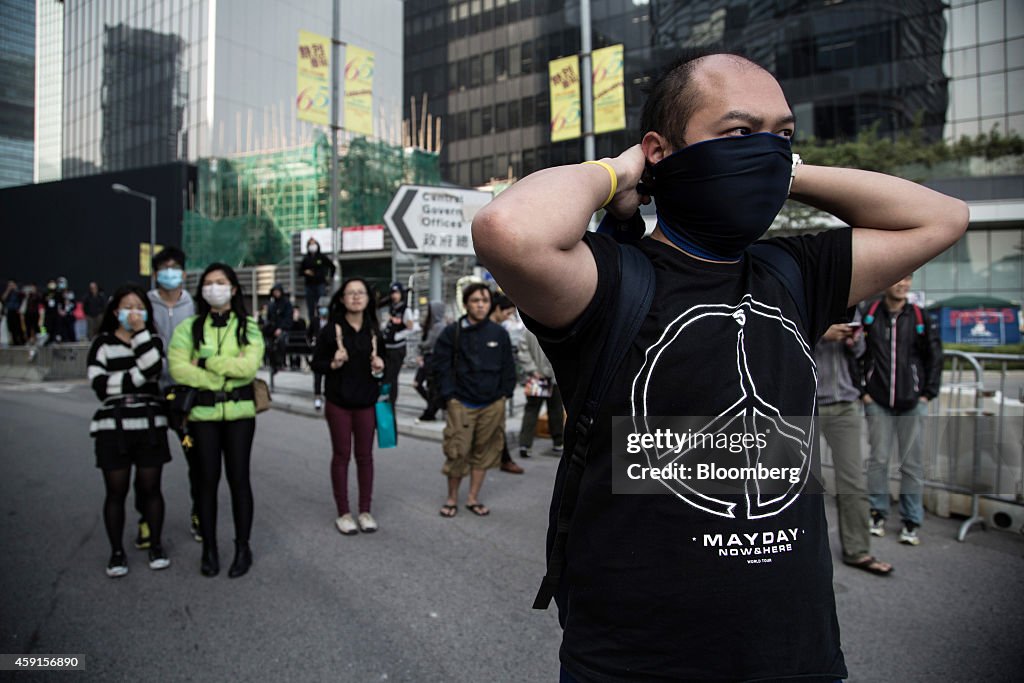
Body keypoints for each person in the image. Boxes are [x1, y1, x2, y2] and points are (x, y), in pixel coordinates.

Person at [471, 50, 968, 681]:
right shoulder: (611, 277)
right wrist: (622, 171)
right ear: (662, 149)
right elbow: (508, 228)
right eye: (738, 133)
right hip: (636, 660)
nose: (766, 150)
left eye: (782, 134)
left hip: (795, 655)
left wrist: (783, 169)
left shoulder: (795, 272)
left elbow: (943, 217)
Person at [168, 263, 264, 578]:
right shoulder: (188, 328)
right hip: (202, 416)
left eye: (220, 282)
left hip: (240, 416)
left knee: (239, 480)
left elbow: (248, 369)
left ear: (234, 289)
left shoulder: (247, 326)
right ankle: (208, 548)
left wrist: (208, 361)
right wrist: (218, 379)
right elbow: (179, 369)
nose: (214, 288)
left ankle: (243, 547)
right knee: (205, 481)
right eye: (208, 283)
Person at [86, 283, 171, 577]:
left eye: (139, 307)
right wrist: (137, 376)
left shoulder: (152, 339)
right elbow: (100, 386)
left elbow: (154, 369)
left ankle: (156, 544)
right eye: (127, 307)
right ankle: (117, 552)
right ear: (115, 311)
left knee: (151, 487)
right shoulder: (102, 343)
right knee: (116, 491)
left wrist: (139, 337)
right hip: (113, 427)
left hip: (149, 424)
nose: (133, 313)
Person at [860, 274, 943, 546]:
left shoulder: (919, 316)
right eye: (898, 279)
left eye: (907, 280)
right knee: (879, 460)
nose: (902, 285)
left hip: (912, 402)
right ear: (887, 282)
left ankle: (911, 519)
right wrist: (864, 392)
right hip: (878, 401)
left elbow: (934, 356)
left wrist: (927, 394)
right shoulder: (870, 314)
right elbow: (858, 355)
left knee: (912, 463)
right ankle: (877, 513)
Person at [815, 319, 892, 576]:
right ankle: (791, 553)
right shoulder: (798, 296)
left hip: (845, 404)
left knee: (853, 481)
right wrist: (821, 333)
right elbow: (784, 341)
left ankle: (857, 551)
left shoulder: (852, 304)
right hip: (806, 405)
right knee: (795, 483)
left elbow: (861, 354)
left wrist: (853, 339)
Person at [432, 283, 516, 517]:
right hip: (461, 403)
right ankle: (451, 499)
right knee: (457, 452)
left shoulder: (499, 333)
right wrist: (449, 397)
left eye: (485, 301)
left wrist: (504, 394)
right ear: (466, 303)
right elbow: (440, 366)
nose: (481, 305)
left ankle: (472, 498)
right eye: (476, 300)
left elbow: (508, 367)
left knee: (485, 452)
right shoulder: (452, 332)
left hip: (492, 403)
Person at [311, 278, 386, 535]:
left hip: (366, 402)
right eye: (350, 293)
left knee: (365, 457)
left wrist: (381, 365)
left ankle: (365, 511)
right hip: (338, 403)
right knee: (342, 456)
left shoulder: (374, 329)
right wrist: (332, 363)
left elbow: (386, 366)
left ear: (368, 298)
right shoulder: (331, 330)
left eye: (360, 292)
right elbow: (315, 363)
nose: (356, 297)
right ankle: (343, 512)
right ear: (341, 299)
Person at [146, 246, 199, 546]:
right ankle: (146, 520)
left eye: (175, 267)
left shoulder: (194, 306)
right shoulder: (144, 304)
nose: (170, 273)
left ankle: (198, 515)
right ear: (155, 274)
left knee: (197, 459)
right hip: (152, 392)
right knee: (148, 465)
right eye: (164, 268)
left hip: (186, 395)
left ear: (184, 273)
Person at [516, 327, 565, 458]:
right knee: (555, 410)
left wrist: (532, 370)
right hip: (552, 378)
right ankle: (558, 442)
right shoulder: (558, 327)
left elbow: (522, 351)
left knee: (532, 410)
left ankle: (525, 445)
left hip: (537, 378)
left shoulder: (529, 329)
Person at [490, 294, 525, 475]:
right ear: (497, 309)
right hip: (478, 390)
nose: (509, 317)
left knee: (497, 426)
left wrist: (507, 389)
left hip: (496, 391)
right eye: (508, 313)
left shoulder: (500, 331)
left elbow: (508, 366)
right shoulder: (489, 331)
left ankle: (504, 459)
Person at [380, 283, 414, 404]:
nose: (394, 296)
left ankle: (391, 400)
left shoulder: (405, 309)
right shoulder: (392, 308)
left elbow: (411, 328)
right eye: (392, 293)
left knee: (392, 377)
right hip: (387, 347)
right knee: (385, 375)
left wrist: (397, 336)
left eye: (397, 293)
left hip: (397, 348)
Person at [414, 301, 447, 423]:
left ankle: (431, 409)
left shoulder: (438, 327)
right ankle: (432, 407)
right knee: (427, 385)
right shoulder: (431, 325)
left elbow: (428, 343)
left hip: (432, 359)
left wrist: (421, 346)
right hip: (428, 359)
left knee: (431, 386)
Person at [298, 238, 336, 323]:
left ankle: (323, 322)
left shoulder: (321, 257)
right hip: (309, 285)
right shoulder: (306, 259)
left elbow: (332, 266)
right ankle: (312, 324)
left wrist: (329, 278)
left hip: (320, 284)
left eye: (314, 244)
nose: (312, 246)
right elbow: (299, 272)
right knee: (311, 307)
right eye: (310, 244)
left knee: (322, 305)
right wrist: (305, 272)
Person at [308, 297, 331, 411]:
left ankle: (328, 396)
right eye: (321, 308)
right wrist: (311, 343)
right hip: (317, 353)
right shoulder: (315, 321)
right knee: (317, 377)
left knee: (329, 376)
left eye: (325, 308)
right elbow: (308, 334)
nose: (323, 310)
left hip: (329, 353)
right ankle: (317, 397)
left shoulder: (332, 321)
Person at [264, 283, 293, 373]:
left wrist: (281, 328)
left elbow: (288, 318)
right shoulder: (272, 304)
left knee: (281, 340)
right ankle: (270, 362)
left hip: (284, 329)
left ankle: (280, 362)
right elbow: (269, 318)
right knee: (267, 343)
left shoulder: (286, 303)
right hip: (272, 329)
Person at [3, 280, 25, 346]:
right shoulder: (8, 292)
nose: (11, 286)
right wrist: (8, 290)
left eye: (12, 285)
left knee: (18, 327)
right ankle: (14, 341)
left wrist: (16, 289)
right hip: (9, 311)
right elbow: (3, 298)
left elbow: (22, 296)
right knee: (11, 327)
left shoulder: (17, 292)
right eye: (9, 285)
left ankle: (21, 340)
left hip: (16, 311)